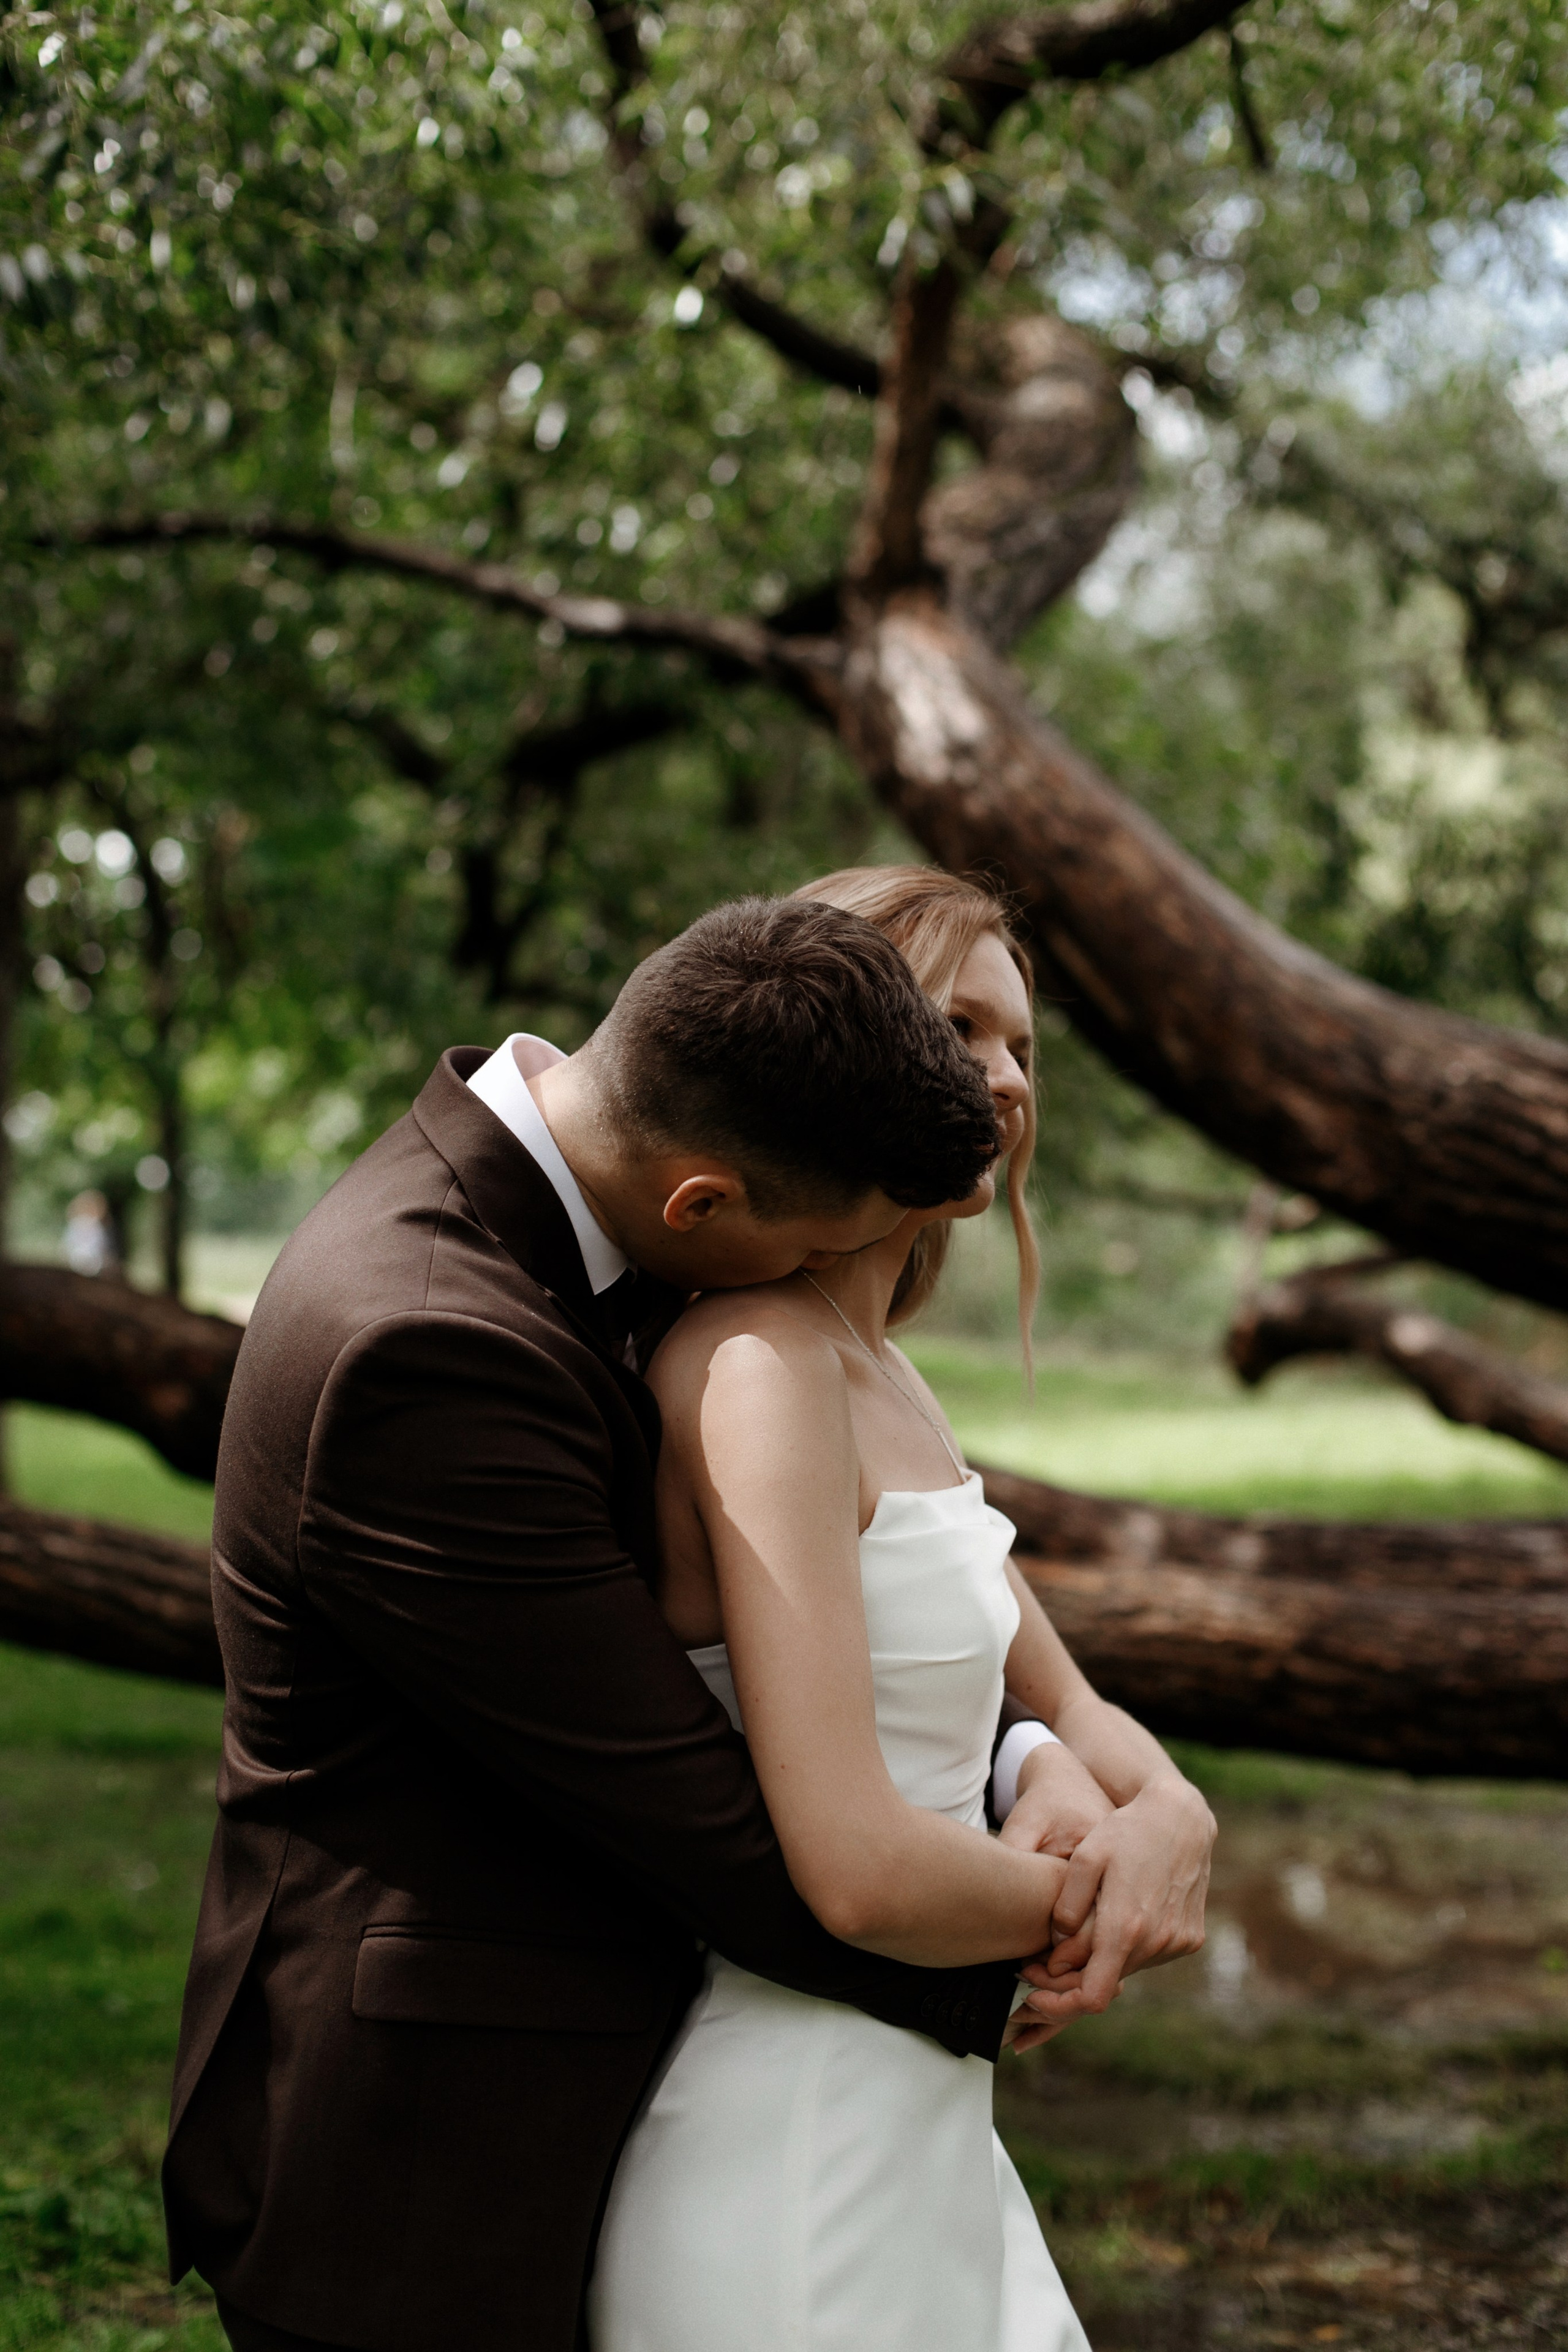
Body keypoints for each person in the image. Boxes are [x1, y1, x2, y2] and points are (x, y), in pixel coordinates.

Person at [165, 894, 1087, 2352]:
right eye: (813, 1256)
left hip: (628, 2071)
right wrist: (1049, 1925)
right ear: (702, 1209)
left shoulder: (585, 1206)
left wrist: (1043, 1764)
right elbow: (703, 1816)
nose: (809, 1308)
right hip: (425, 2140)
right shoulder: (423, 1347)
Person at [587, 867, 1213, 2352]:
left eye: (1018, 1045)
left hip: (929, 2110)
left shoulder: (889, 1377)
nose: (998, 1080)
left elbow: (1061, 1702)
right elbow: (855, 1869)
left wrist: (1167, 1811)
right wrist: (1093, 1901)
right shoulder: (758, 1368)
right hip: (793, 2124)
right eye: (954, 1032)